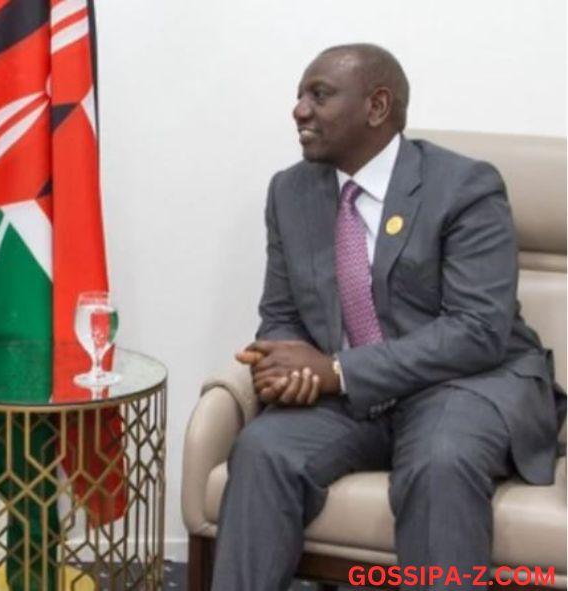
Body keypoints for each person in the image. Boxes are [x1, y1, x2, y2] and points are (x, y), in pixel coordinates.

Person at [211, 43, 563, 590]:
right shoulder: (291, 192)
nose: (299, 110)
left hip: (465, 384)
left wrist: (338, 370)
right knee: (263, 449)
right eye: (300, 95)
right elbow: (281, 315)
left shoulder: (465, 187)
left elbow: (478, 331)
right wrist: (284, 367)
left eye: (319, 95)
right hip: (357, 401)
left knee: (440, 462)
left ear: (377, 107)